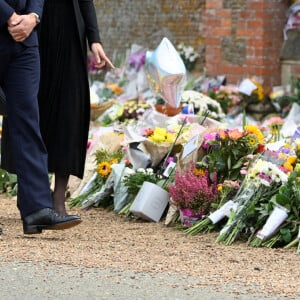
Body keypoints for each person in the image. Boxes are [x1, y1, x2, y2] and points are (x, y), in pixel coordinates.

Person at [0, 0, 82, 234]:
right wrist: (9, 16)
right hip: (10, 23)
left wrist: (34, 16)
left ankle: (36, 209)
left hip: (25, 41)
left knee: (27, 121)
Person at [38, 0, 114, 215]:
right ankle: (35, 195)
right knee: (34, 115)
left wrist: (95, 39)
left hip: (71, 35)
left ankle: (58, 197)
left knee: (69, 113)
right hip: (35, 30)